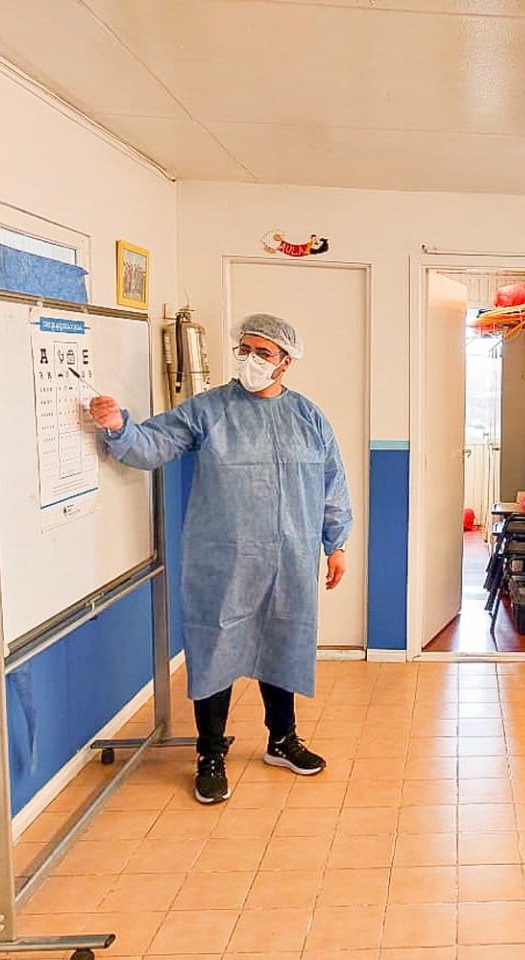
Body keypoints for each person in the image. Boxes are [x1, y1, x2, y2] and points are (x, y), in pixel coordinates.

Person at [89, 313, 352, 804]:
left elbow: (331, 482)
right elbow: (152, 445)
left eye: (263, 353)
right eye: (245, 350)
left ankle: (282, 739)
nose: (250, 360)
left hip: (290, 558)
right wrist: (119, 426)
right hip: (223, 558)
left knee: (284, 641)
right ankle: (210, 753)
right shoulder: (209, 410)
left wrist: (335, 543)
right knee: (216, 650)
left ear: (286, 362)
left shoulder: (309, 417)